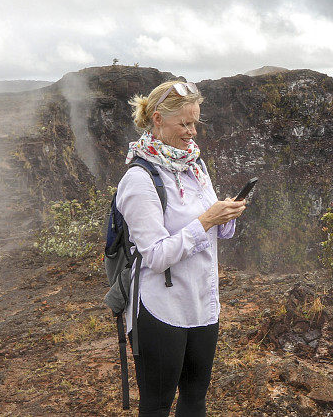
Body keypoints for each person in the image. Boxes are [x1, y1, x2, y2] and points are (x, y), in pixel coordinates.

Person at [117, 80, 246, 416]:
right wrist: (205, 221)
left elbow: (209, 221)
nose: (193, 132)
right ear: (157, 119)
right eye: (185, 124)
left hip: (203, 305)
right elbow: (156, 256)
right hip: (162, 311)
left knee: (195, 398)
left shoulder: (194, 165)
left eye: (195, 122)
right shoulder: (139, 180)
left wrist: (225, 214)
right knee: (157, 405)